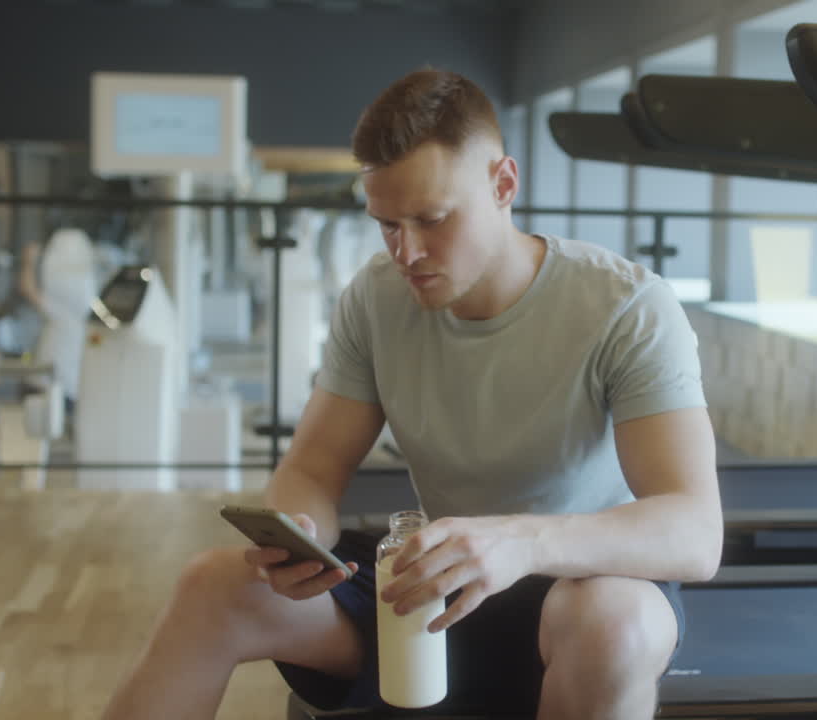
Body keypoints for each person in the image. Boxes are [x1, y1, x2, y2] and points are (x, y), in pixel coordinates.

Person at [102, 68, 722, 720]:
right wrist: (300, 537)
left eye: (432, 219)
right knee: (213, 585)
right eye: (387, 225)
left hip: (577, 593)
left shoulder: (628, 307)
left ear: (504, 184)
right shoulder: (375, 297)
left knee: (614, 621)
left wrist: (523, 542)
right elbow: (313, 466)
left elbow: (695, 531)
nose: (408, 251)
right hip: (430, 596)